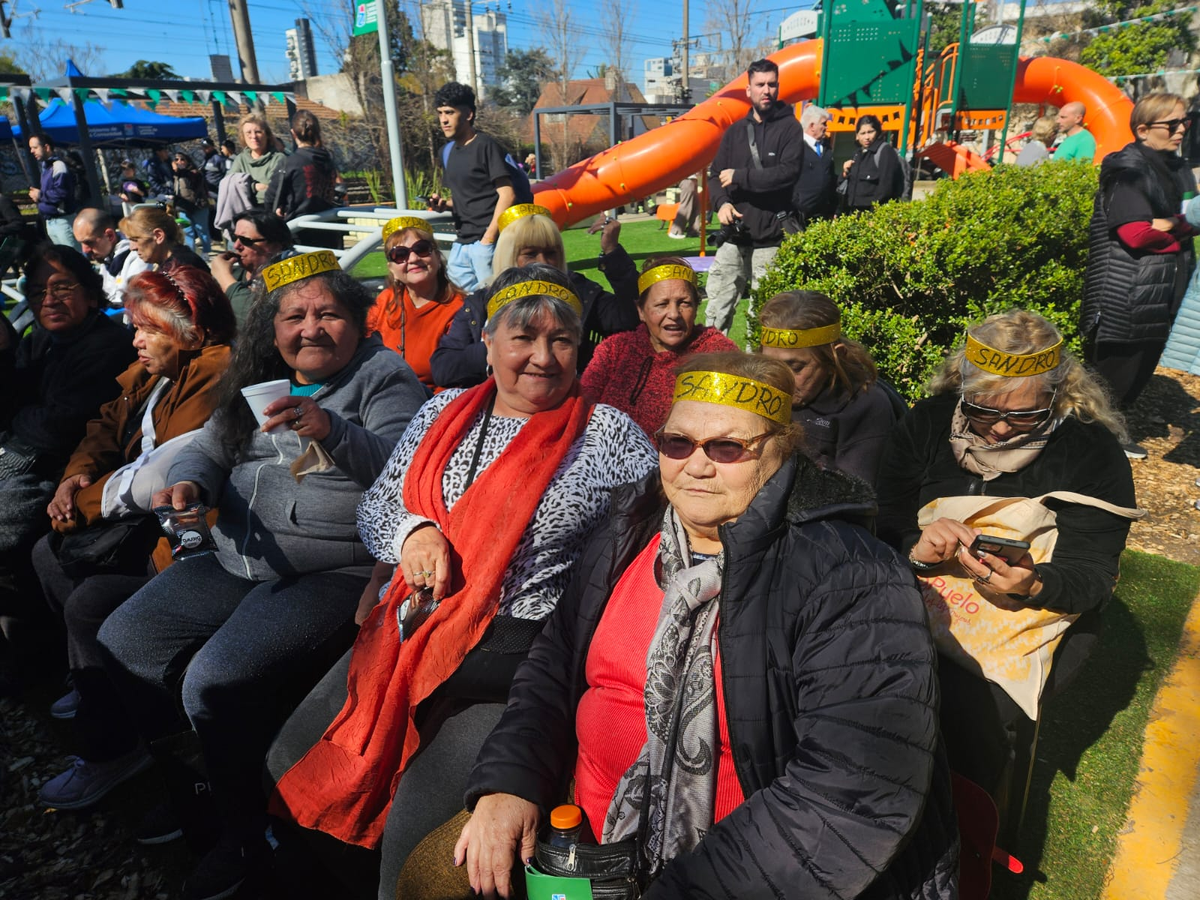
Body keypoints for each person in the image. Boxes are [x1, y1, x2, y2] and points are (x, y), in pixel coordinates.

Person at [455, 350, 959, 900]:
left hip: (736, 875)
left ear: (781, 450)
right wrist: (511, 782)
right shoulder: (628, 529)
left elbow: (850, 792)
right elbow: (553, 664)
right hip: (589, 840)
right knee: (428, 877)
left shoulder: (850, 575)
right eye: (677, 443)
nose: (696, 465)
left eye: (728, 447)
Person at [267, 263, 658, 898]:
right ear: (488, 342)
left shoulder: (610, 435)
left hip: (513, 664)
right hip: (408, 638)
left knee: (415, 841)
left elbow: (651, 548)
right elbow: (377, 506)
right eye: (523, 338)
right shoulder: (445, 412)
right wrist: (414, 533)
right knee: (291, 764)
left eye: (562, 339)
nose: (542, 357)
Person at [97, 251, 429, 899]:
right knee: (123, 637)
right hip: (236, 554)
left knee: (212, 682)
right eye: (294, 316)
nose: (310, 328)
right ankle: (197, 783)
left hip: (333, 570)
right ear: (271, 329)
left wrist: (332, 428)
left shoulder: (383, 379)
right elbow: (209, 446)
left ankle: (249, 838)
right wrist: (190, 483)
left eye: (328, 313)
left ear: (358, 321)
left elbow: (405, 468)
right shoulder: (260, 375)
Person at [876, 310, 1137, 802]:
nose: (998, 430)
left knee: (981, 713)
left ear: (1059, 396)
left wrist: (1034, 584)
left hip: (1038, 613)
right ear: (963, 388)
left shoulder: (1089, 450)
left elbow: (1095, 571)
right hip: (917, 587)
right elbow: (883, 513)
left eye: (1023, 416)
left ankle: (974, 829)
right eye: (981, 410)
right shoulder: (930, 422)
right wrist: (915, 546)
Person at [33, 267, 235, 810]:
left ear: (189, 328)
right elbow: (105, 423)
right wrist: (75, 474)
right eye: (133, 326)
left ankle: (114, 747)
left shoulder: (214, 372)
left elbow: (158, 472)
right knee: (47, 557)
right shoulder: (159, 369)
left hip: (190, 536)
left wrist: (78, 503)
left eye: (147, 329)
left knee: (89, 603)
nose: (135, 339)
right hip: (142, 519)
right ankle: (98, 687)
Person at [0, 245, 136, 689]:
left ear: (92, 294)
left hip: (75, 470)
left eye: (61, 288)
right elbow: (13, 407)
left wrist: (24, 416)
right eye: (38, 291)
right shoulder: (39, 341)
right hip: (30, 461)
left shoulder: (107, 344)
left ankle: (41, 661)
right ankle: (30, 653)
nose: (48, 300)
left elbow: (59, 427)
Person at [1082, 91, 1196, 458]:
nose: (1181, 129)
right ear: (1143, 129)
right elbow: (1136, 234)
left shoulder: (1178, 169)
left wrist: (1171, 224)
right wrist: (1185, 225)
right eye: (1172, 124)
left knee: (1143, 363)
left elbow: (1168, 225)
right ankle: (1091, 438)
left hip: (1165, 287)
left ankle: (1108, 430)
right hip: (1126, 289)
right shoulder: (1126, 167)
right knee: (1115, 370)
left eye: (1185, 122)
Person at [430, 203, 638, 387]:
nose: (543, 262)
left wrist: (612, 254)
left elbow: (632, 317)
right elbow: (444, 369)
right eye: (530, 254)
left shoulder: (580, 291)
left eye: (551, 253)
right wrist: (501, 348)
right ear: (508, 255)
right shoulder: (481, 303)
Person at [758, 290, 903, 485]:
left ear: (835, 358)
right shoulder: (759, 389)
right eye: (770, 364)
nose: (779, 380)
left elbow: (855, 499)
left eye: (796, 367)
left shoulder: (866, 407)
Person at [581, 258, 736, 435]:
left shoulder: (718, 354)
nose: (674, 314)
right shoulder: (614, 350)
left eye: (684, 303)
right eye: (662, 304)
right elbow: (583, 410)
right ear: (641, 311)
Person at [703, 59, 803, 334]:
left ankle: (758, 373)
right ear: (749, 90)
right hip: (734, 236)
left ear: (778, 87)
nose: (766, 90)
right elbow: (714, 175)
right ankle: (711, 366)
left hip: (770, 239)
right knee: (716, 310)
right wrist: (721, 204)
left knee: (765, 317)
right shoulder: (735, 132)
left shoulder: (790, 128)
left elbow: (787, 173)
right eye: (760, 84)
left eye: (772, 84)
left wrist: (740, 176)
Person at [429, 82, 518, 291]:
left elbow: (508, 194)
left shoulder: (485, 145)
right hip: (461, 243)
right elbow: (467, 197)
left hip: (488, 243)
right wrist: (444, 205)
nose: (443, 119)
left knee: (498, 308)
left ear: (468, 114)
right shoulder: (446, 152)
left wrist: (488, 239)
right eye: (440, 113)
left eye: (449, 112)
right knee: (464, 308)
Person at [367, 216, 464, 390]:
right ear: (392, 269)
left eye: (422, 249)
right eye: (400, 254)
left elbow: (457, 379)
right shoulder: (385, 300)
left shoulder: (460, 308)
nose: (412, 258)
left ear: (437, 257)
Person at [209, 209, 296, 326]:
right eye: (235, 238)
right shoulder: (235, 274)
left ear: (276, 245)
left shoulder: (291, 284)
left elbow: (255, 321)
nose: (236, 246)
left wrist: (224, 278)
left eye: (245, 240)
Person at [72, 208, 152, 307]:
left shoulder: (138, 257)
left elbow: (134, 306)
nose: (85, 250)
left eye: (89, 242)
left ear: (110, 236)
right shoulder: (106, 255)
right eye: (81, 243)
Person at [269, 110, 338, 223]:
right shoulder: (328, 159)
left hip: (299, 228)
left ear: (293, 133)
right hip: (328, 225)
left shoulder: (290, 162)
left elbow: (271, 197)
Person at [841, 114, 906, 212]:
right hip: (854, 212)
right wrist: (845, 173)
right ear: (857, 136)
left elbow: (886, 187)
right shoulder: (857, 154)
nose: (867, 137)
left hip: (873, 213)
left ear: (878, 132)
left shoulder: (885, 151)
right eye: (862, 133)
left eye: (870, 132)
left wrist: (874, 213)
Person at [120, 205, 210, 275]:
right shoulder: (175, 261)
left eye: (135, 240)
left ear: (158, 236)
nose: (132, 248)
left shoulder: (180, 270)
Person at [27, 132, 80, 250]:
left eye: (35, 147)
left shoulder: (58, 166)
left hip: (63, 221)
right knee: (63, 260)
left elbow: (62, 193)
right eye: (31, 148)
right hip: (51, 222)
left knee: (74, 258)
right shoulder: (47, 168)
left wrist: (40, 195)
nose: (32, 151)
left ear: (46, 147)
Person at [228, 113, 286, 207]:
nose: (253, 136)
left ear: (267, 135)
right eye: (248, 133)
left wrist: (243, 186)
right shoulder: (240, 159)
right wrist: (253, 186)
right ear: (243, 136)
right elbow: (228, 185)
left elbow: (273, 192)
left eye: (258, 132)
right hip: (243, 210)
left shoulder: (278, 158)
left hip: (268, 210)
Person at [794, 103, 838, 225]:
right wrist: (798, 204)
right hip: (801, 216)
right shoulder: (796, 147)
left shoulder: (826, 148)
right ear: (812, 126)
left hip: (822, 216)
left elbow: (831, 179)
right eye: (824, 124)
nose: (826, 127)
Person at [171, 152, 212, 256]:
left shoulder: (194, 173)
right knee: (186, 231)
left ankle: (206, 251)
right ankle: (190, 253)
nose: (179, 162)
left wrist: (179, 170)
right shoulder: (176, 175)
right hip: (183, 207)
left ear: (187, 161)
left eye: (182, 159)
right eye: (176, 159)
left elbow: (190, 181)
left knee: (202, 230)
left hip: (198, 206)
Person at [201, 139, 229, 235]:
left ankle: (220, 234)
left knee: (218, 213)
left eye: (207, 147)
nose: (205, 149)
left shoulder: (218, 159)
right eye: (203, 147)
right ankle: (214, 234)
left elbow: (226, 174)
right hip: (208, 192)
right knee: (211, 214)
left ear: (212, 146)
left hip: (217, 192)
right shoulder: (205, 159)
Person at [666, 175, 700, 239]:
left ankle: (694, 231)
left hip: (692, 179)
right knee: (686, 205)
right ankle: (675, 231)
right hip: (687, 179)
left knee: (695, 206)